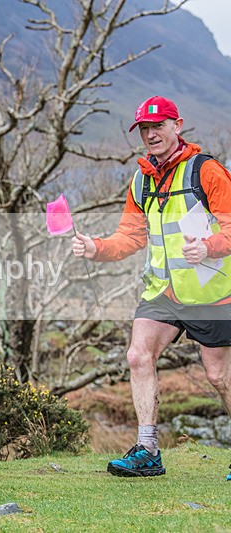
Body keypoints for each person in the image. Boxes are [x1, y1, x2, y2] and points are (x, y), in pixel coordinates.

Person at [72, 96, 231, 481]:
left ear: (178, 125)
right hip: (162, 291)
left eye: (158, 126)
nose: (151, 134)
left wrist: (208, 246)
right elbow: (130, 236)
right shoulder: (141, 179)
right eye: (144, 128)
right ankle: (148, 450)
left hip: (211, 293)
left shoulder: (206, 171)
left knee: (218, 377)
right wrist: (97, 248)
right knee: (138, 355)